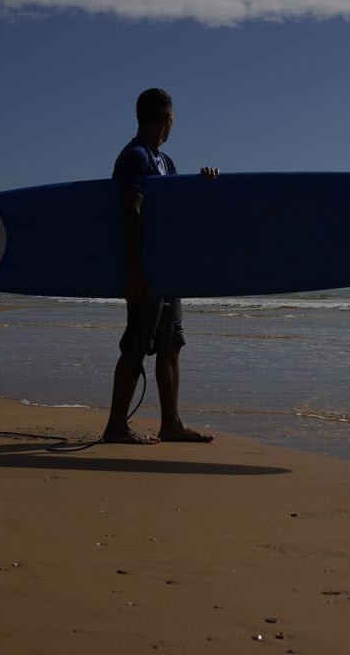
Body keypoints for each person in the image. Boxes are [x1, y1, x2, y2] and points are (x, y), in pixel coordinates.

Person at [102, 88, 218, 445]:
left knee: (170, 345)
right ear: (168, 117)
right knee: (136, 345)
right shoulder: (134, 157)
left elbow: (175, 213)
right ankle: (116, 427)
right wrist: (136, 271)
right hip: (147, 271)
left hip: (167, 272)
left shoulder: (165, 161)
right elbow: (130, 213)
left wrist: (201, 185)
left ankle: (171, 424)